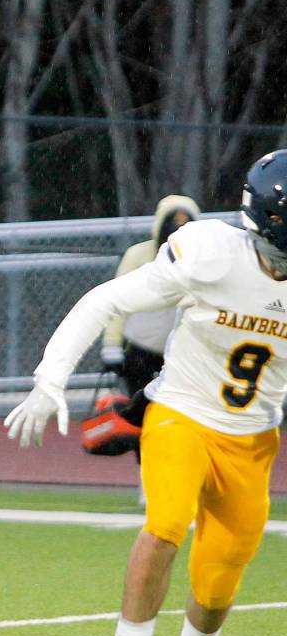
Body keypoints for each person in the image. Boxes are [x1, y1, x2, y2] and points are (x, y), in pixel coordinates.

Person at [4, 150, 287, 636]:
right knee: (165, 524)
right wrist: (49, 379)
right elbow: (105, 300)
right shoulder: (211, 252)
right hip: (180, 412)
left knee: (219, 576)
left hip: (253, 437)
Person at [98, 195, 200, 500]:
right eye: (172, 224)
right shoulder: (138, 256)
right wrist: (112, 346)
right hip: (141, 352)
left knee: (183, 421)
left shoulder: (201, 262)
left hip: (182, 355)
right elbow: (115, 304)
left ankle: (182, 481)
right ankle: (149, 482)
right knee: (146, 419)